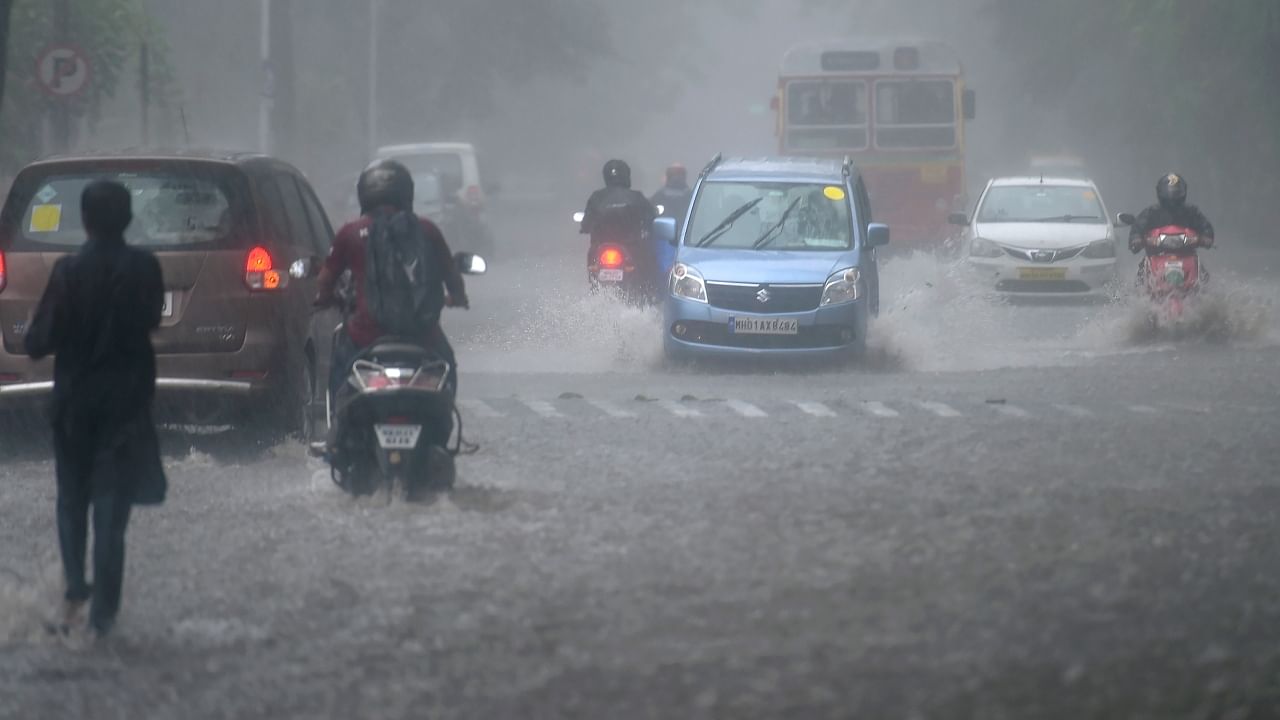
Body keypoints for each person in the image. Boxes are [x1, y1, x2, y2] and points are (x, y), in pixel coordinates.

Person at [25, 180, 168, 640]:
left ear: (85, 221)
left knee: (72, 500)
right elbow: (150, 320)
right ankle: (104, 615)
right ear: (127, 220)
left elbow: (38, 341)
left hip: (74, 406)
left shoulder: (68, 272)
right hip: (125, 406)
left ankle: (75, 590)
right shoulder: (146, 268)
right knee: (111, 506)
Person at [315, 160, 468, 405]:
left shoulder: (351, 233)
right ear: (407, 193)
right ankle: (444, 420)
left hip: (365, 337)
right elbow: (452, 277)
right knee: (446, 364)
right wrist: (458, 299)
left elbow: (325, 281)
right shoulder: (427, 230)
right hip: (421, 335)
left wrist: (324, 299)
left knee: (340, 372)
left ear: (364, 194)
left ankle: (336, 432)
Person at [1129, 173, 1216, 280]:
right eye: (1168, 194)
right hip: (1156, 254)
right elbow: (1138, 227)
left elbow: (1205, 226)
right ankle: (1138, 294)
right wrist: (1136, 239)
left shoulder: (1192, 212)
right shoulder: (1151, 213)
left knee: (1204, 277)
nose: (1172, 198)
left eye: (1176, 194)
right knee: (1141, 275)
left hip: (1186, 254)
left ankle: (1204, 293)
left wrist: (1205, 237)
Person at [580, 159, 658, 273]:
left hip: (601, 246)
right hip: (631, 246)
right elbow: (650, 217)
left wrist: (584, 227)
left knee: (593, 259)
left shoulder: (596, 197)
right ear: (626, 175)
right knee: (648, 260)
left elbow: (586, 223)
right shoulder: (636, 196)